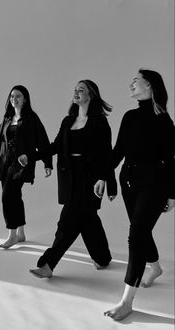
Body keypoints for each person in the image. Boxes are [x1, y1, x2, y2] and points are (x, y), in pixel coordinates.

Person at [95, 69, 175, 321]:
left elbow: (171, 160)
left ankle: (126, 300)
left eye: (135, 82)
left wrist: (172, 193)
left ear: (149, 86)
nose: (130, 85)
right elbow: (118, 150)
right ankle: (156, 267)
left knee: (136, 234)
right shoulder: (130, 116)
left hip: (155, 184)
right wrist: (103, 175)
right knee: (139, 231)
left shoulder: (164, 121)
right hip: (129, 182)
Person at [29, 79, 117, 278]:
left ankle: (48, 264)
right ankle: (103, 257)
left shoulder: (100, 122)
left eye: (81, 90)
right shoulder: (68, 121)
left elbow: (106, 154)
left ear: (90, 95)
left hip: (91, 179)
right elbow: (56, 146)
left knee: (67, 221)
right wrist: (33, 155)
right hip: (70, 178)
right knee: (88, 220)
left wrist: (108, 182)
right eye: (75, 89)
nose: (76, 92)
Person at [0, 85, 52, 248]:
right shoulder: (7, 118)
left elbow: (43, 140)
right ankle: (20, 233)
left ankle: (11, 234)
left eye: (18, 96)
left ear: (25, 99)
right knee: (14, 196)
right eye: (12, 96)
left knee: (8, 195)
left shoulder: (32, 119)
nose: (14, 99)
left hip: (21, 163)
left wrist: (47, 163)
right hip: (4, 162)